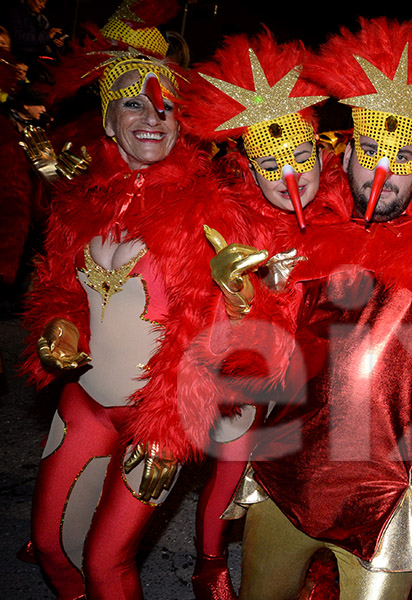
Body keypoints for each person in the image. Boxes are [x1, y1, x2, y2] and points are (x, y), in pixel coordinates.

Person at [220, 18, 412, 600]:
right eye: (370, 150)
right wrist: (238, 298)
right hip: (283, 483)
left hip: (384, 505)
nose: (383, 170)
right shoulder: (304, 234)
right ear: (346, 151)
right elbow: (252, 362)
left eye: (402, 155)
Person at [20, 30, 251, 599]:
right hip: (85, 402)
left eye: (167, 106)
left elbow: (223, 343)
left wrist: (171, 426)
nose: (153, 115)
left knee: (107, 563)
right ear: (107, 121)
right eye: (134, 102)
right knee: (50, 547)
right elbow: (59, 291)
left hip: (157, 419)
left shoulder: (209, 211)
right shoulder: (80, 200)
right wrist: (59, 328)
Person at [177, 29, 337, 600]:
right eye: (271, 164)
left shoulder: (345, 214)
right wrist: (247, 292)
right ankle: (210, 563)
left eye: (300, 157)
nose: (290, 176)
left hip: (315, 382)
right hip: (246, 374)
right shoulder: (228, 223)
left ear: (322, 156)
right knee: (233, 452)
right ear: (249, 171)